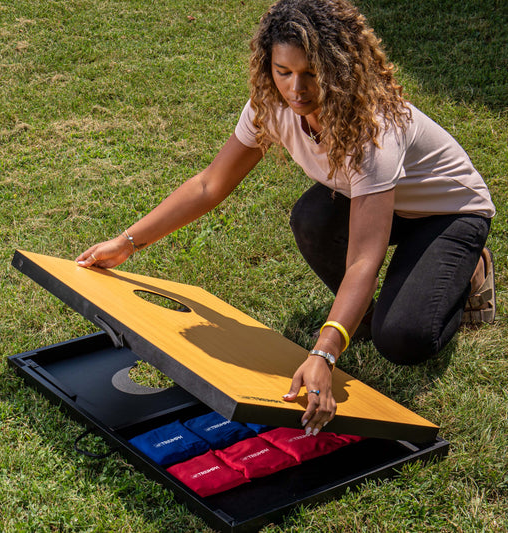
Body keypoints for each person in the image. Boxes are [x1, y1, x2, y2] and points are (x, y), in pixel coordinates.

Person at [76, 0, 495, 437]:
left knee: (403, 339)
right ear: (269, 66)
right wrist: (127, 242)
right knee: (311, 219)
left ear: (339, 67)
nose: (297, 88)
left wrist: (324, 354)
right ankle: (363, 317)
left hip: (446, 214)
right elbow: (209, 186)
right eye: (284, 71)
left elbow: (362, 262)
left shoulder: (373, 127)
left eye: (312, 73)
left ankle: (470, 268)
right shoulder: (271, 105)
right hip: (372, 199)